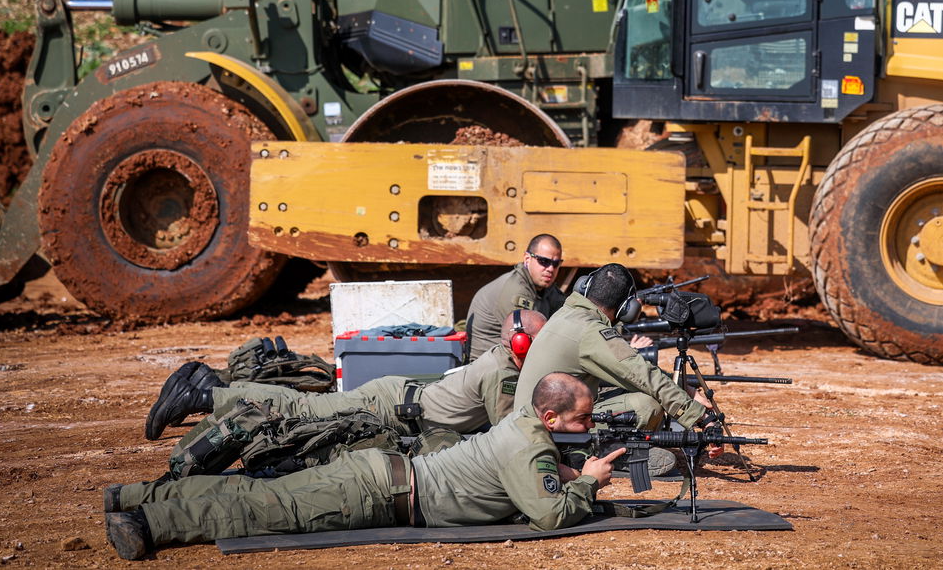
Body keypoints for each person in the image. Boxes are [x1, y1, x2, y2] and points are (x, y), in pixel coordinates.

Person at [104, 373, 625, 559]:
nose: (585, 427)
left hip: (383, 476)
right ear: (550, 414)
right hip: (379, 492)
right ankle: (150, 524)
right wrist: (591, 485)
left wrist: (569, 471)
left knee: (261, 495)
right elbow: (550, 515)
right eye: (580, 420)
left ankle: (133, 498)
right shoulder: (530, 447)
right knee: (263, 509)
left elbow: (534, 474)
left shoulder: (522, 428)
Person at [146, 311, 548, 456]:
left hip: (399, 401)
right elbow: (506, 433)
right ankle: (201, 395)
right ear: (520, 343)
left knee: (300, 408)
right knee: (300, 410)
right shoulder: (502, 373)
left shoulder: (500, 360)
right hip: (390, 407)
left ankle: (203, 385)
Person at [516, 263, 711, 434]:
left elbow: (636, 373)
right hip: (545, 433)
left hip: (532, 422)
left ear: (584, 286)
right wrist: (699, 416)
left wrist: (684, 388)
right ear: (626, 309)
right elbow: (642, 374)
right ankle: (604, 457)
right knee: (646, 406)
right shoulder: (591, 332)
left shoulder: (567, 314)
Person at [464, 233, 568, 361]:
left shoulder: (544, 287)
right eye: (544, 261)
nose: (550, 269)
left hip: (509, 358)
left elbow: (567, 314)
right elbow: (526, 342)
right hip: (490, 364)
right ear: (527, 259)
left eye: (556, 263)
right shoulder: (516, 291)